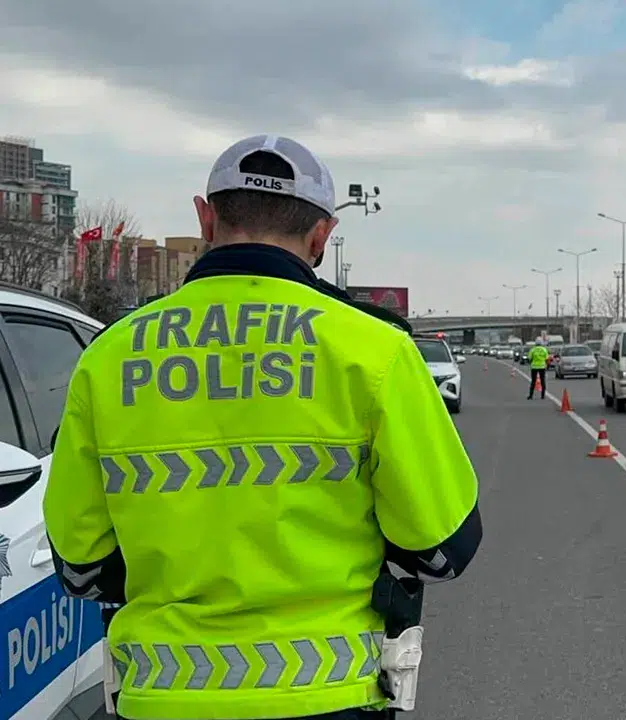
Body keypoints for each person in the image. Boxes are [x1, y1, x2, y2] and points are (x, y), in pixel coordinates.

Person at [43, 134, 482, 720]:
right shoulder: (375, 350)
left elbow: (80, 564)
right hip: (329, 694)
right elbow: (443, 548)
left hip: (163, 697)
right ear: (322, 235)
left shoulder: (109, 355)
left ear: (205, 218)